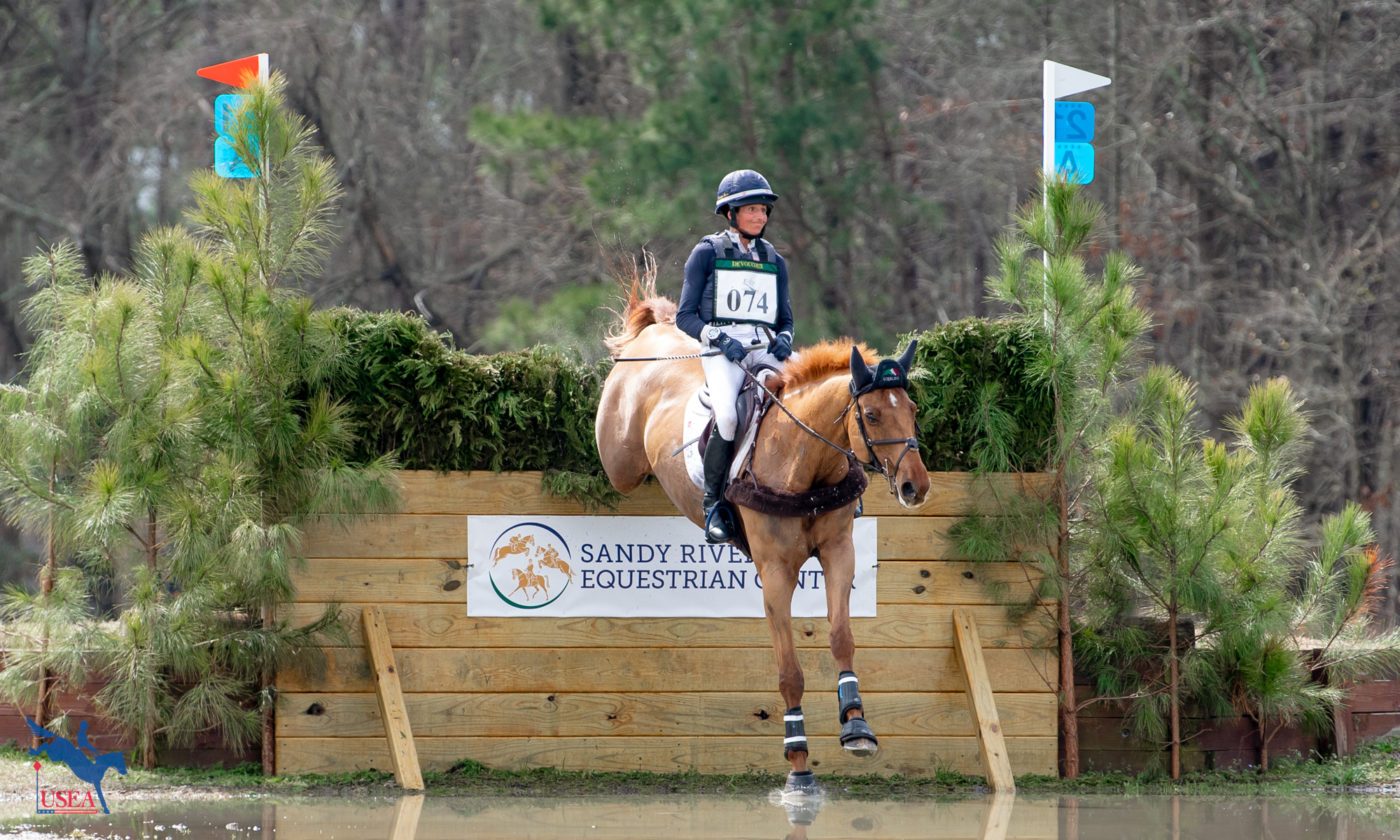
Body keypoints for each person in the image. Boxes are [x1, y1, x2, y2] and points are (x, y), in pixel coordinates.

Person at [676, 169, 795, 543]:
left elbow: (786, 318)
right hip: (722, 350)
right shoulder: (706, 254)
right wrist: (716, 336)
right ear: (731, 213)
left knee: (808, 400)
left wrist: (786, 339)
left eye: (763, 210)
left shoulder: (774, 259)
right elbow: (685, 316)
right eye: (751, 210)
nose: (760, 217)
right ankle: (714, 504)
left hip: (764, 348)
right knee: (727, 415)